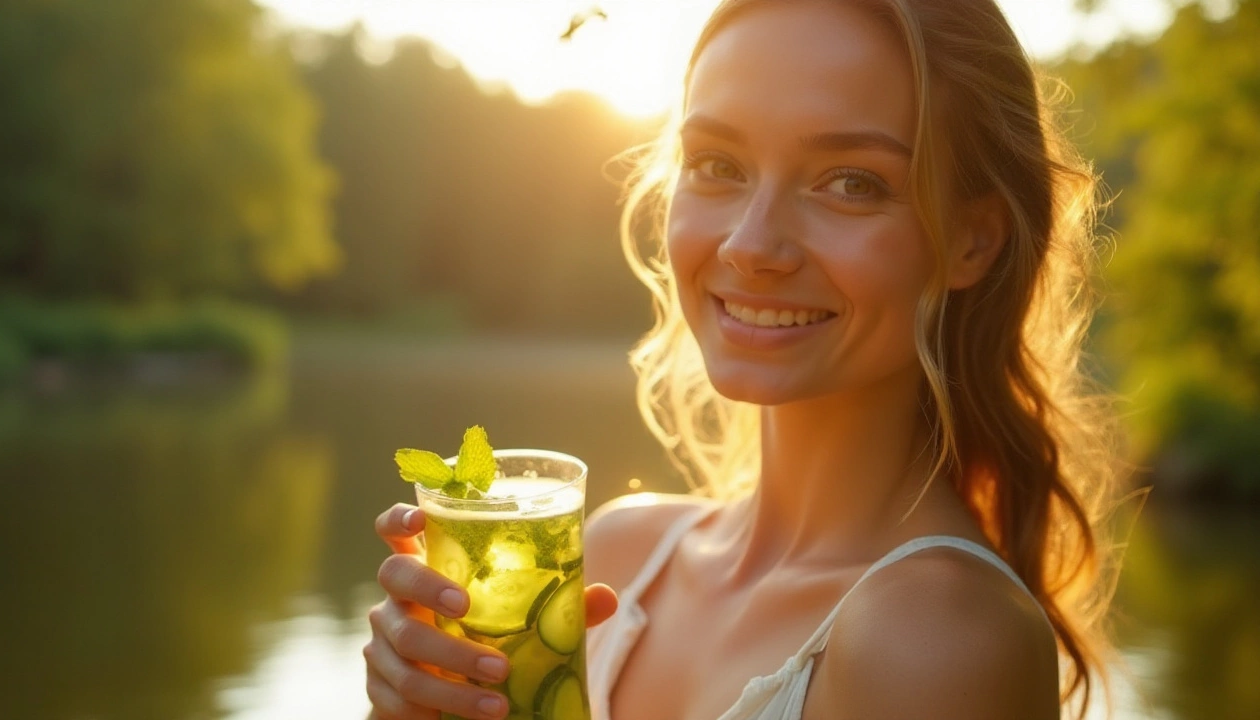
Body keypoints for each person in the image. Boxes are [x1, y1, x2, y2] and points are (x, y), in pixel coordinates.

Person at [363, 0, 1127, 718]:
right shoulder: (623, 555)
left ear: (973, 240)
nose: (751, 245)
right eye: (717, 165)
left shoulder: (934, 641)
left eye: (851, 182)